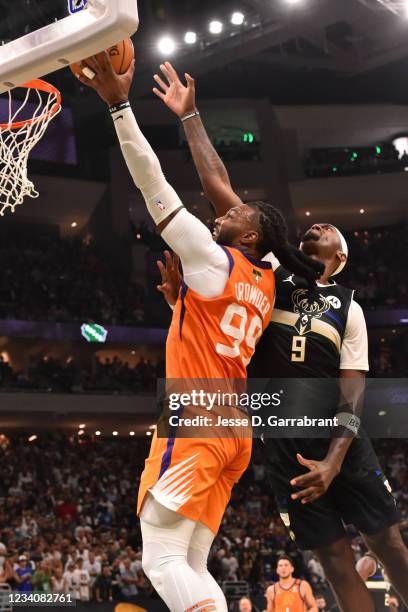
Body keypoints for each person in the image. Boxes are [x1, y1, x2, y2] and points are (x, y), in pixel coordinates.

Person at [152, 61, 408, 612]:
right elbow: (218, 186)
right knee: (335, 561)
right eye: (313, 225)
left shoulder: (350, 308)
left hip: (335, 436)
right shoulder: (273, 272)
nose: (316, 226)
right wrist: (192, 116)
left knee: (387, 542)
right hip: (280, 437)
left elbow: (353, 394)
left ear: (339, 258)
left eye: (329, 231)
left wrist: (337, 460)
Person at [76, 52, 321, 612]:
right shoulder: (265, 278)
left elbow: (152, 183)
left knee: (159, 561)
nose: (221, 214)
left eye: (236, 217)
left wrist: (118, 106)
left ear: (253, 235)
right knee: (187, 563)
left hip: (198, 422)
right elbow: (221, 186)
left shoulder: (213, 261)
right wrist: (178, 310)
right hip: (233, 429)